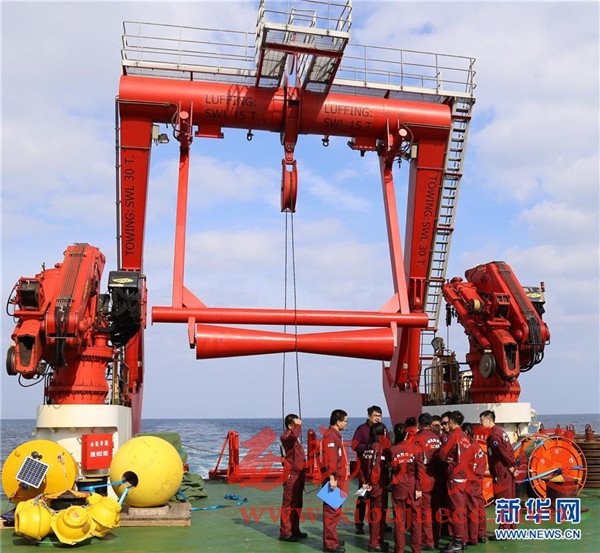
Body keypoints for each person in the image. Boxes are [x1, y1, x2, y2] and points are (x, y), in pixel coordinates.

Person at [438, 411, 471, 553]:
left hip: (455, 477)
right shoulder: (464, 436)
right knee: (462, 509)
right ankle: (462, 540)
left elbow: (442, 453)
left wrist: (446, 459)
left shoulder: (454, 435)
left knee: (455, 510)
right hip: (464, 476)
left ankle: (457, 542)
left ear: (451, 422)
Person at [480, 410, 517, 533]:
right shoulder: (501, 432)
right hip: (506, 471)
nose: (480, 422)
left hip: (501, 471)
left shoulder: (494, 435)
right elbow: (509, 450)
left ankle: (505, 529)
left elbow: (503, 453)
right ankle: (511, 527)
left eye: (482, 420)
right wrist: (513, 466)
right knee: (509, 499)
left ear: (488, 419)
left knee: (502, 500)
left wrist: (510, 465)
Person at [390, 423, 422, 553]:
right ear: (406, 434)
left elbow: (392, 468)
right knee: (416, 519)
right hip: (412, 486)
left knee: (399, 520)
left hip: (398, 487)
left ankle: (399, 549)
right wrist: (419, 488)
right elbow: (420, 470)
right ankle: (416, 549)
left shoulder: (392, 450)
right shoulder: (415, 448)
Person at [351, 405, 383, 534]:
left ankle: (380, 523)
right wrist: (370, 447)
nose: (377, 418)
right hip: (364, 470)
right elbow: (354, 445)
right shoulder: (361, 429)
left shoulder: (382, 429)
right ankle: (359, 523)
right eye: (375, 415)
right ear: (369, 416)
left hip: (378, 470)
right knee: (362, 497)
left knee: (379, 498)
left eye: (379, 415)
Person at [413, 413, 442, 551]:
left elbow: (418, 463)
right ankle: (436, 538)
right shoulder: (437, 438)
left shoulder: (418, 439)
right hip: (437, 478)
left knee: (425, 511)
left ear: (419, 424)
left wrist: (417, 485)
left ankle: (428, 540)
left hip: (424, 478)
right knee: (436, 509)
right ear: (431, 424)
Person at [321, 409, 349, 553]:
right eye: (345, 421)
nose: (346, 424)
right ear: (338, 422)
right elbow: (331, 459)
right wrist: (332, 478)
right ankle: (330, 544)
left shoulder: (335, 436)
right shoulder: (331, 437)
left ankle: (333, 538)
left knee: (335, 511)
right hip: (334, 480)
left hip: (338, 479)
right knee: (331, 512)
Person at [360, 422, 391, 552]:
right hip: (378, 487)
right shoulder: (380, 447)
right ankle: (375, 543)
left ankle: (376, 541)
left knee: (373, 514)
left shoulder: (368, 447)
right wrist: (372, 483)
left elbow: (362, 468)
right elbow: (377, 469)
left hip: (369, 485)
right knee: (379, 515)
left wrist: (364, 483)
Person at [279, 414, 308, 542]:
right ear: (290, 426)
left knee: (298, 503)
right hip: (291, 474)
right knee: (288, 503)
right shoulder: (286, 437)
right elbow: (293, 436)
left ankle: (295, 529)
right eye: (295, 424)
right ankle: (285, 532)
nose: (298, 426)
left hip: (299, 473)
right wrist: (298, 426)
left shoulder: (294, 438)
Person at [462, 423, 487, 545]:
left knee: (471, 509)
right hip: (478, 480)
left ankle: (472, 538)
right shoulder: (478, 446)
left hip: (470, 481)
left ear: (466, 432)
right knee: (479, 507)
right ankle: (481, 534)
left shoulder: (468, 447)